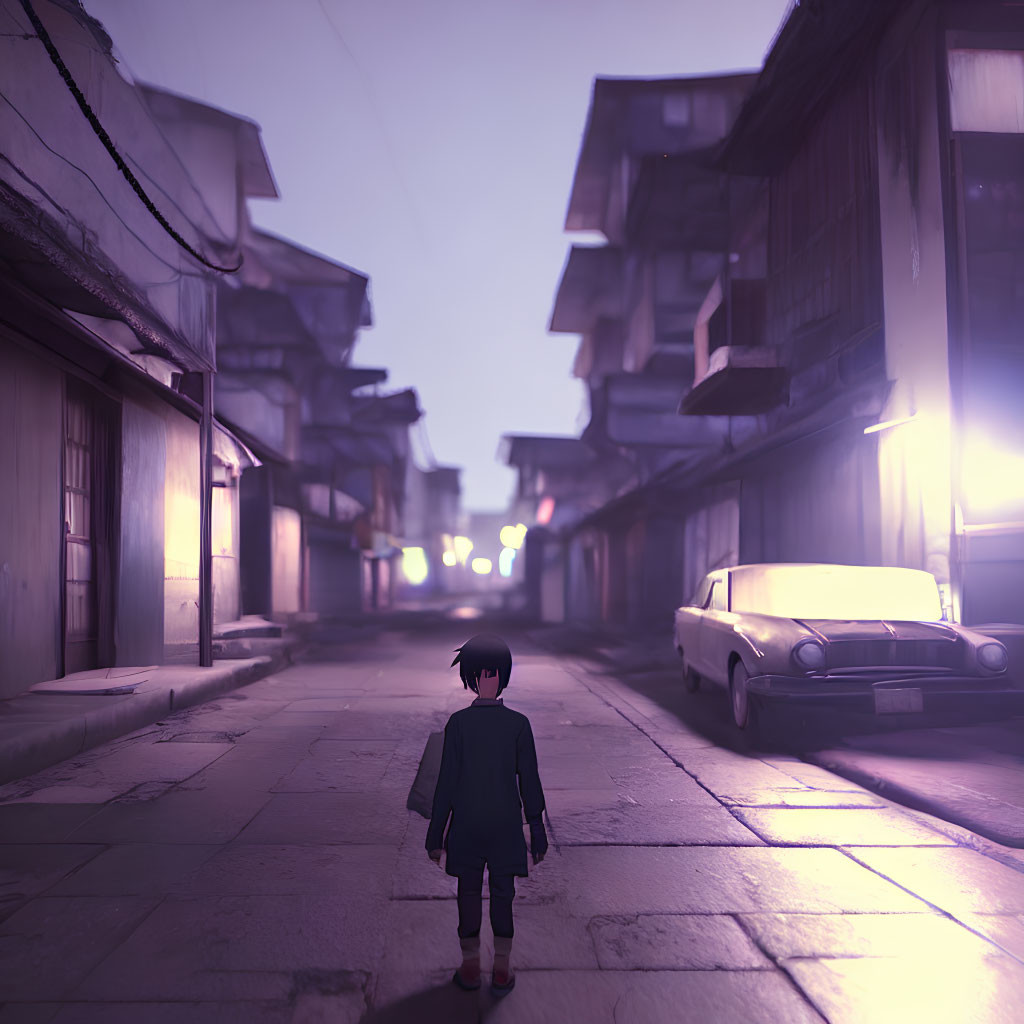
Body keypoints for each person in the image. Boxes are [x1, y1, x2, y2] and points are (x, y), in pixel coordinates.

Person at [425, 633, 548, 997]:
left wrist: (436, 834)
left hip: (469, 825)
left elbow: (447, 784)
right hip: (503, 825)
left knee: (473, 893)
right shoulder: (517, 725)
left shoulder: (460, 725)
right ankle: (495, 969)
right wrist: (536, 829)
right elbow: (528, 780)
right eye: (483, 674)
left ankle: (476, 967)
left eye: (492, 674)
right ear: (473, 678)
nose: (488, 681)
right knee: (499, 894)